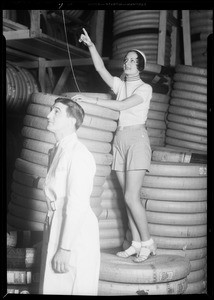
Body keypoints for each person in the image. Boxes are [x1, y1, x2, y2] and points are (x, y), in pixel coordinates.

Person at [72, 28, 157, 263]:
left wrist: (89, 99)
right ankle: (136, 243)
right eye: (126, 59)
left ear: (140, 66)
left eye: (133, 60)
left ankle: (148, 243)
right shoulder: (120, 85)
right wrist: (91, 45)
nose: (128, 62)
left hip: (137, 139)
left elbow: (121, 107)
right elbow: (100, 69)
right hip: (119, 140)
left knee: (132, 197)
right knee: (124, 197)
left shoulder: (145, 89)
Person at [39, 97, 100, 295]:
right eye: (51, 110)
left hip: (75, 234)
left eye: (56, 111)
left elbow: (77, 205)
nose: (49, 115)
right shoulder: (57, 150)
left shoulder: (79, 154)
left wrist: (65, 248)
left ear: (72, 119)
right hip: (58, 224)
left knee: (71, 286)